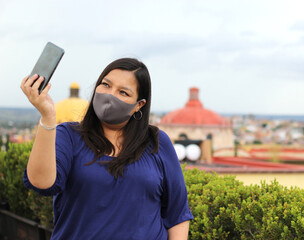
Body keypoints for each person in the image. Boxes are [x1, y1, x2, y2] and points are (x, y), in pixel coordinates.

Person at [20, 58, 193, 239]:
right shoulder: (68, 135)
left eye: (123, 92)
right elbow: (41, 183)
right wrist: (48, 117)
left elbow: (177, 213)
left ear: (139, 105)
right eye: (106, 84)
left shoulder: (156, 142)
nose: (110, 95)